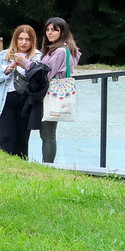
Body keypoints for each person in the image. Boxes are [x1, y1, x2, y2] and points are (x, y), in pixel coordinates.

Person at [0, 24, 41, 159]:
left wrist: (26, 64)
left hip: (26, 102)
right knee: (6, 138)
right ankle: (2, 166)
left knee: (22, 140)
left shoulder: (37, 56)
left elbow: (41, 78)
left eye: (27, 39)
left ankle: (21, 168)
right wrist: (6, 70)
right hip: (5, 101)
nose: (23, 42)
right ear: (15, 40)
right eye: (20, 39)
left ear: (32, 41)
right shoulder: (4, 55)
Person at [40, 17, 80, 165]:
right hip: (53, 94)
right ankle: (47, 164)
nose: (49, 33)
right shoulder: (63, 49)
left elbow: (46, 74)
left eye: (54, 30)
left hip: (51, 94)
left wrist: (26, 64)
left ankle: (47, 165)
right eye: (47, 29)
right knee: (48, 134)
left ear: (62, 32)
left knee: (48, 135)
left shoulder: (60, 51)